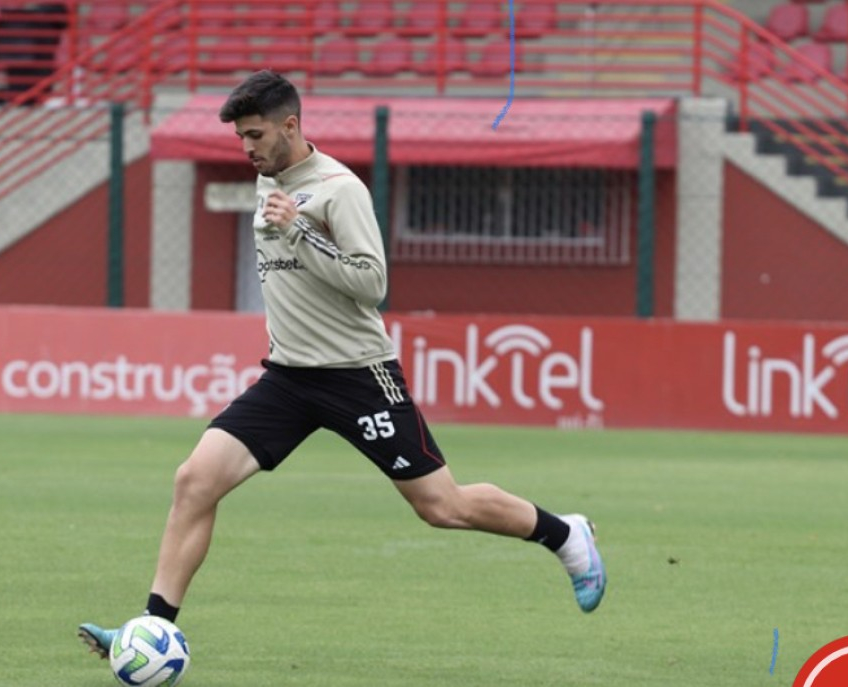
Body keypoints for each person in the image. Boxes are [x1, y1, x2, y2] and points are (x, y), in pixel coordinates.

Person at [78, 70, 606, 659]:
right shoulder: (268, 179)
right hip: (287, 377)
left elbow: (372, 283)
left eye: (255, 134)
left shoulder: (338, 189)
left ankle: (566, 534)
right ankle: (153, 630)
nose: (247, 148)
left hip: (358, 374)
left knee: (441, 506)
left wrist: (300, 231)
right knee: (194, 481)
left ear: (291, 126)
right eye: (240, 138)